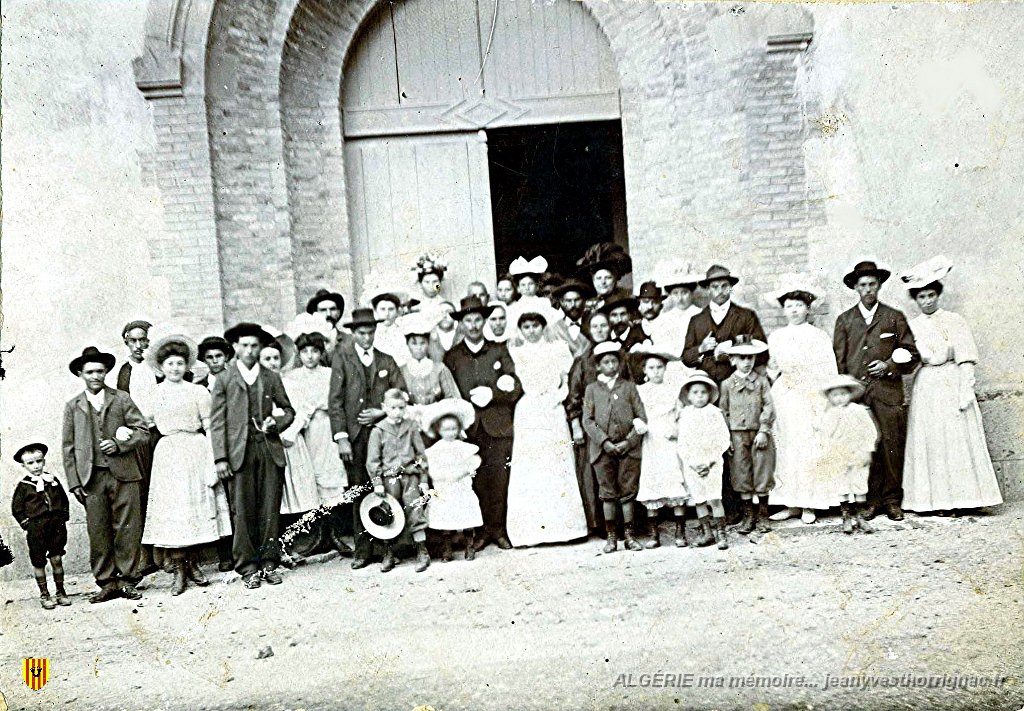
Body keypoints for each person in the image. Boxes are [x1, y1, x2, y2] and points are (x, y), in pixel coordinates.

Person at [899, 257, 1003, 515]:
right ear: (916, 299)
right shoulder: (913, 326)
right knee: (931, 440)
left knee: (955, 439)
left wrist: (966, 388)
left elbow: (966, 355)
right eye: (921, 296)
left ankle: (964, 499)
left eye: (931, 295)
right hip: (927, 384)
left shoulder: (954, 320)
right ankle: (934, 501)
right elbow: (908, 358)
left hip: (951, 379)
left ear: (938, 295)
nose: (927, 301)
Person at [142, 335, 232, 596]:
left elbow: (210, 425)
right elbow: (144, 422)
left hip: (195, 449)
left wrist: (214, 460)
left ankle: (193, 565)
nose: (175, 368)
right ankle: (179, 570)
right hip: (169, 453)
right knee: (175, 509)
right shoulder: (155, 394)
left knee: (193, 506)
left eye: (180, 363)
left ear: (187, 366)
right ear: (161, 366)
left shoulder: (198, 391)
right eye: (170, 363)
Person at [210, 323, 296, 589]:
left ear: (261, 348)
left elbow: (289, 410)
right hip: (239, 453)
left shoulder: (270, 377)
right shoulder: (224, 379)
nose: (249, 350)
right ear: (235, 347)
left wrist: (276, 424)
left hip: (268, 449)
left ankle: (269, 562)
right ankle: (247, 567)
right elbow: (217, 422)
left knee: (269, 507)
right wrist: (221, 458)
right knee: (243, 510)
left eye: (254, 346)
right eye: (244, 345)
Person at [833, 260, 919, 521]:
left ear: (879, 286)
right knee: (863, 446)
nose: (868, 289)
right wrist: (846, 393)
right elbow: (839, 361)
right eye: (863, 285)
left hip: (888, 391)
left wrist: (889, 365)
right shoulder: (845, 320)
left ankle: (892, 500)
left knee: (891, 444)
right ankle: (869, 500)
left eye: (872, 284)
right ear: (856, 289)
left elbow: (912, 354)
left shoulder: (894, 317)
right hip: (858, 396)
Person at [62, 346, 149, 603]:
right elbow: (68, 447)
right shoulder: (73, 406)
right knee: (98, 531)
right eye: (90, 372)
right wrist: (75, 482)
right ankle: (107, 583)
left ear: (106, 372)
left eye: (100, 371)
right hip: (92, 477)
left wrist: (119, 444)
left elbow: (142, 431)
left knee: (128, 528)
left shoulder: (121, 399)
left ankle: (128, 580)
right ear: (81, 374)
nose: (95, 376)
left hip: (124, 474)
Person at [328, 307, 407, 569]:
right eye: (361, 333)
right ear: (353, 334)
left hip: (384, 435)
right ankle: (363, 550)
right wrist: (341, 437)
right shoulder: (342, 359)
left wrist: (382, 411)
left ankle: (388, 548)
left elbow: (402, 394)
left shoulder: (386, 360)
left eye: (371, 332)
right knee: (358, 490)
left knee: (384, 487)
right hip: (355, 436)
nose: (366, 338)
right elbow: (335, 401)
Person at [443, 296, 523, 552]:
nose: (474, 325)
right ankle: (479, 531)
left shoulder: (498, 350)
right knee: (475, 481)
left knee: (499, 478)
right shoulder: (453, 356)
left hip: (498, 425)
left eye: (478, 319)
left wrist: (494, 394)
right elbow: (449, 394)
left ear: (484, 321)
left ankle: (498, 530)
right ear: (462, 324)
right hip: (469, 429)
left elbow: (515, 386)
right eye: (468, 320)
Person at [505, 312, 588, 547]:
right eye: (526, 327)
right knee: (531, 466)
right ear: (521, 330)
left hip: (552, 407)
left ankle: (565, 529)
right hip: (529, 409)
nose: (531, 331)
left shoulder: (558, 349)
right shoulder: (516, 353)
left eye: (535, 326)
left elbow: (565, 379)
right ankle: (530, 532)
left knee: (556, 462)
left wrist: (556, 397)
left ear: (543, 327)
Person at [764, 278, 838, 525]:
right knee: (786, 447)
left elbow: (828, 369)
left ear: (808, 308)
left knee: (807, 445)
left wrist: (820, 397)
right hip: (785, 395)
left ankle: (809, 503)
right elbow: (772, 367)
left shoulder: (818, 336)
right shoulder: (777, 337)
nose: (794, 310)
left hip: (809, 395)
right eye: (789, 306)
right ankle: (790, 502)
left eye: (798, 305)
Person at [582, 342, 647, 554]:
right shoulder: (592, 389)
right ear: (598, 366)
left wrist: (628, 442)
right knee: (607, 493)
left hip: (628, 450)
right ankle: (611, 537)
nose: (611, 366)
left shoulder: (628, 387)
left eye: (614, 361)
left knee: (627, 492)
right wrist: (605, 442)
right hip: (603, 451)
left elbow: (641, 417)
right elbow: (588, 421)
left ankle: (629, 535)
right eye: (606, 362)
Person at [111, 319, 162, 575]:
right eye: (134, 341)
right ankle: (146, 556)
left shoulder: (158, 369)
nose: (139, 345)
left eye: (144, 341)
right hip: (140, 438)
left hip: (162, 435)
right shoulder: (124, 372)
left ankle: (171, 554)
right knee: (141, 491)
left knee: (164, 489)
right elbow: (122, 406)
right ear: (126, 343)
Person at [632, 347, 690, 549]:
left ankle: (680, 533)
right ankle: (654, 535)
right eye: (651, 368)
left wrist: (677, 430)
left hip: (669, 440)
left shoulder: (672, 390)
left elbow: (682, 415)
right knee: (652, 484)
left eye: (659, 367)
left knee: (674, 482)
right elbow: (635, 413)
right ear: (644, 370)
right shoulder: (640, 391)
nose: (656, 371)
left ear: (665, 369)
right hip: (650, 440)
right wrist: (638, 423)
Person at [366, 389, 430, 573]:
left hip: (410, 476)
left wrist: (423, 478)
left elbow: (421, 456)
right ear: (384, 408)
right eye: (393, 408)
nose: (397, 412)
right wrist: (377, 481)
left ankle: (422, 550)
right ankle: (388, 552)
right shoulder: (378, 431)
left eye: (401, 408)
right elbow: (372, 461)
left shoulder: (411, 427)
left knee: (414, 508)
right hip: (389, 480)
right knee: (388, 513)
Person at [719, 336, 776, 536]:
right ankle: (748, 515)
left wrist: (763, 430)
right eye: (741, 358)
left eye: (750, 358)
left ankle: (762, 514)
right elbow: (723, 411)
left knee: (762, 469)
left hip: (758, 433)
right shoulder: (726, 384)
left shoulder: (761, 382)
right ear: (732, 360)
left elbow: (768, 406)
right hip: (736, 434)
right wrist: (726, 436)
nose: (746, 362)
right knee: (741, 472)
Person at [567, 311, 614, 531]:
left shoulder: (619, 357)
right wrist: (576, 424)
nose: (600, 330)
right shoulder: (583, 361)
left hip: (618, 424)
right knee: (595, 472)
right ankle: (601, 524)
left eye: (603, 326)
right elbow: (574, 397)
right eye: (595, 327)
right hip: (591, 425)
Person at [420, 399, 483, 561]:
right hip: (444, 487)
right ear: (439, 430)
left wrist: (467, 471)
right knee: (444, 516)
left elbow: (473, 462)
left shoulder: (463, 446)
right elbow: (431, 468)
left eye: (454, 429)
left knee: (466, 514)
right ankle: (447, 549)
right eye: (446, 429)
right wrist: (442, 477)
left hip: (461, 487)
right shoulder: (435, 450)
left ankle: (470, 546)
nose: (450, 433)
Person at [11, 443, 72, 609]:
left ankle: (61, 591)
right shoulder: (24, 486)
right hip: (37, 528)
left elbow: (63, 499)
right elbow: (17, 509)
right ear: (24, 466)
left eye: (39, 461)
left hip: (56, 525)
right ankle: (44, 594)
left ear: (44, 461)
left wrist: (62, 516)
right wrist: (28, 525)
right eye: (30, 463)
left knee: (57, 558)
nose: (36, 466)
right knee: (39, 562)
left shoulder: (52, 480)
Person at [816, 375, 878, 534]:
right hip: (839, 453)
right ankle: (846, 517)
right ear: (830, 397)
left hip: (857, 452)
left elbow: (870, 431)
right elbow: (825, 435)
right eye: (835, 395)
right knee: (841, 483)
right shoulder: (829, 415)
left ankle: (860, 516)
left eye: (843, 394)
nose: (839, 398)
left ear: (850, 394)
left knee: (859, 483)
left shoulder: (858, 410)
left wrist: (867, 450)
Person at [676, 371, 731, 550]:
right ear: (688, 395)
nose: (699, 396)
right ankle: (707, 533)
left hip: (712, 463)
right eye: (695, 392)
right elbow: (682, 442)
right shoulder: (685, 414)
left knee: (714, 498)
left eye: (703, 392)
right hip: (693, 464)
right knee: (699, 500)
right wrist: (692, 463)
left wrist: (710, 461)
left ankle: (721, 534)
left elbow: (723, 439)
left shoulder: (715, 413)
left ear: (709, 394)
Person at [399, 313, 461, 410]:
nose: (419, 348)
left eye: (422, 343)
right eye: (414, 344)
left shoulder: (440, 368)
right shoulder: (401, 371)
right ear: (407, 344)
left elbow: (452, 398)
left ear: (428, 343)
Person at [651, 260, 704, 357]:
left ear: (692, 293)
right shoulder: (664, 318)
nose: (680, 298)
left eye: (684, 292)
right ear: (670, 295)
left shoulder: (701, 314)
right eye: (675, 293)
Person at [576, 242, 632, 318]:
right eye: (598, 278)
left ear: (615, 279)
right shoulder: (585, 306)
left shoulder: (627, 301)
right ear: (593, 280)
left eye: (608, 278)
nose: (603, 282)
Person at [553, 280, 594, 358]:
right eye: (568, 301)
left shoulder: (593, 324)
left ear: (584, 301)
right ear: (562, 302)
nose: (573, 305)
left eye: (577, 300)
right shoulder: (555, 329)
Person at [369, 292, 409, 368]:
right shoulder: (371, 333)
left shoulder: (404, 333)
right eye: (382, 309)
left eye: (391, 309)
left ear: (397, 312)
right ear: (375, 311)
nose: (387, 314)